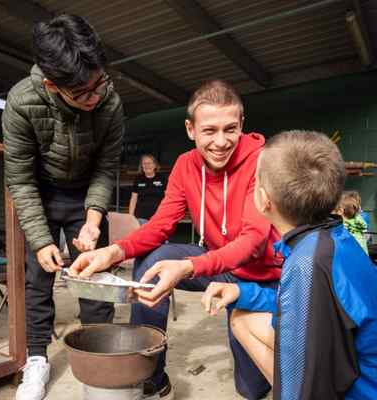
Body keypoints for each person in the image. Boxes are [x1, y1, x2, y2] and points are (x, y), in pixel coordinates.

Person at [70, 80, 283, 400]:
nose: (221, 142)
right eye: (210, 130)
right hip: (220, 265)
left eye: (230, 129)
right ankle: (151, 378)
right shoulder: (185, 166)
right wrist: (112, 253)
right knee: (152, 259)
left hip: (263, 278)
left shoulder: (261, 161)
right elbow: (158, 226)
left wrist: (188, 267)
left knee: (251, 388)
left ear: (241, 125)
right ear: (190, 129)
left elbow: (252, 239)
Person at [202, 131, 377, 400]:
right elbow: (306, 304)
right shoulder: (335, 238)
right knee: (242, 315)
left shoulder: (307, 263)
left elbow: (304, 371)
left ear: (263, 199)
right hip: (355, 364)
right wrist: (243, 293)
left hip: (359, 390)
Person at [2, 14, 124, 400]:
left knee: (95, 280)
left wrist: (93, 221)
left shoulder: (109, 100)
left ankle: (100, 357)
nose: (95, 97)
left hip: (87, 192)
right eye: (83, 93)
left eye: (98, 83)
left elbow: (107, 167)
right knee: (38, 280)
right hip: (41, 193)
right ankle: (36, 359)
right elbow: (20, 180)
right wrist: (40, 240)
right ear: (54, 86)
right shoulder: (22, 102)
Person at [129, 154, 167, 224]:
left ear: (155, 165)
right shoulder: (138, 179)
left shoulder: (162, 179)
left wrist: (166, 213)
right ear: (141, 166)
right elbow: (133, 199)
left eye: (149, 163)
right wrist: (130, 216)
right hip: (141, 216)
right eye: (144, 163)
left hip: (158, 215)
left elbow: (168, 197)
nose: (147, 165)